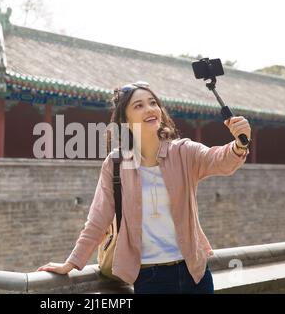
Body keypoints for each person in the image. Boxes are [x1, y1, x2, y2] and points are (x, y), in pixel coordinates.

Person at [37, 81, 251, 294]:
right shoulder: (116, 163)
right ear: (126, 120)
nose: (149, 109)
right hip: (150, 278)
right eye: (138, 106)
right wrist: (72, 262)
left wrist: (239, 144)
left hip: (195, 273)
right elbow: (98, 220)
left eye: (153, 103)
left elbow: (220, 160)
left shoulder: (184, 152)